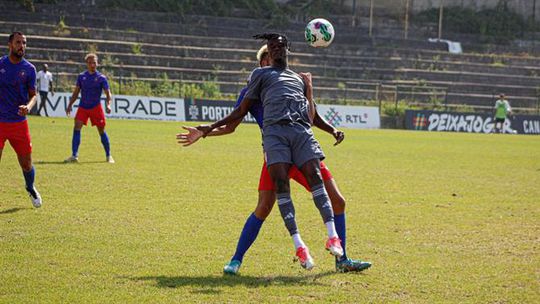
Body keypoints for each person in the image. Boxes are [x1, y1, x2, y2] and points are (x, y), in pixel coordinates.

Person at [178, 45, 372, 275]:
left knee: (337, 200)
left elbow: (311, 117)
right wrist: (205, 132)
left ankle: (342, 260)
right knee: (264, 207)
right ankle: (235, 260)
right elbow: (231, 125)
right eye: (271, 59)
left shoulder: (290, 83)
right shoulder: (251, 90)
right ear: (262, 64)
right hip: (276, 155)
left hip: (300, 150)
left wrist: (331, 129)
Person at [0, 32, 42, 208]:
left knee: (26, 164)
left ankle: (30, 187)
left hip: (18, 124)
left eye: (24, 43)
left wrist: (29, 107)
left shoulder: (30, 69)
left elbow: (33, 95)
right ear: (10, 44)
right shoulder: (0, 64)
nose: (22, 46)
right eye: (18, 42)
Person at [64, 53, 114, 163]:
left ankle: (108, 155)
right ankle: (74, 155)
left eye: (94, 62)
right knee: (76, 127)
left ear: (97, 63)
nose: (92, 64)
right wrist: (70, 104)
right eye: (90, 62)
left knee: (101, 131)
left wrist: (108, 104)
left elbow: (108, 93)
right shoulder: (82, 77)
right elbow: (76, 92)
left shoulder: (101, 78)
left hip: (96, 108)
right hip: (83, 107)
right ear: (87, 64)